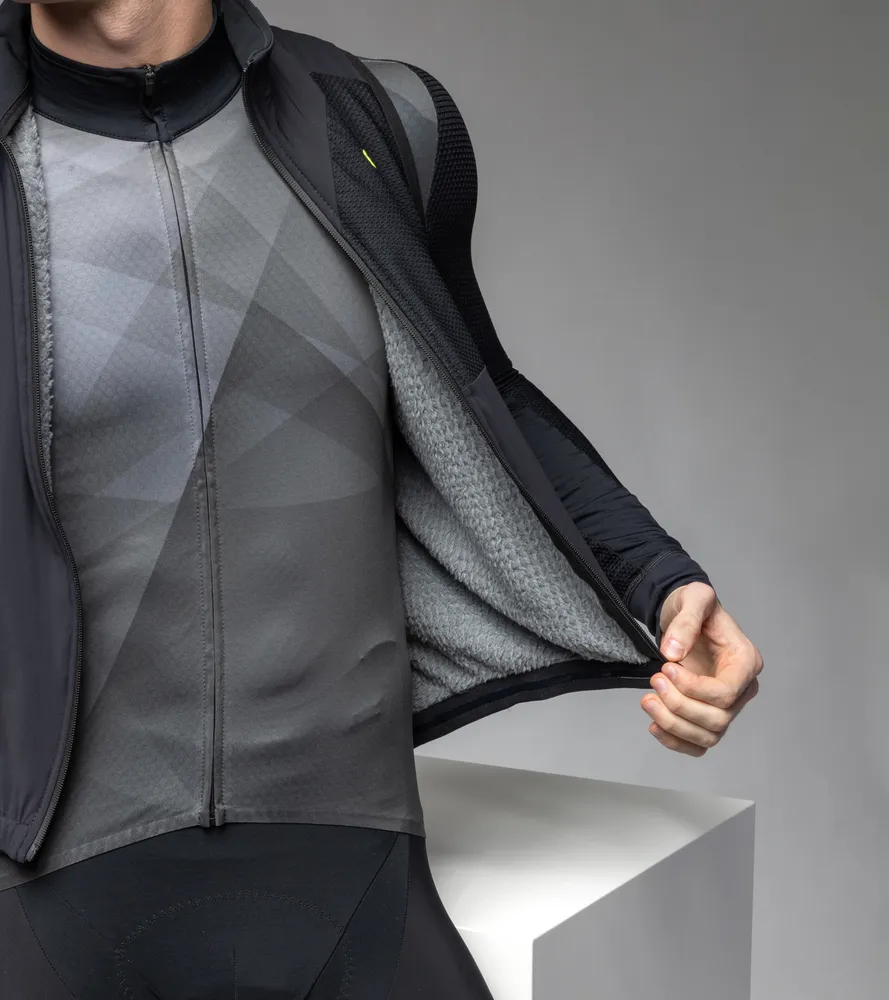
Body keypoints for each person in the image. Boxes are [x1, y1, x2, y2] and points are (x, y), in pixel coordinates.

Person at [0, 0, 764, 995]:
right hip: (44, 883)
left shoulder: (377, 117)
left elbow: (478, 391)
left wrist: (661, 581)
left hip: (347, 859)